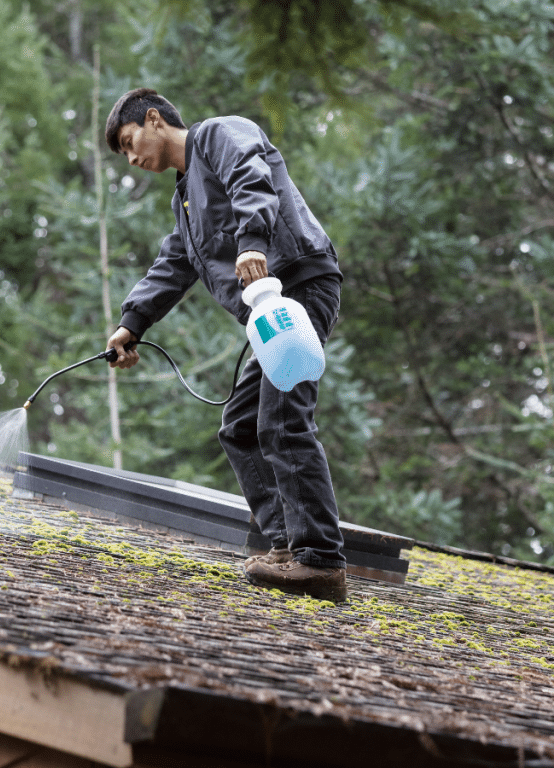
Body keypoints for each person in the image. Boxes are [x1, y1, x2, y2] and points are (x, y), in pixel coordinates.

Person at [103, 88, 347, 603]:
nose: (132, 159)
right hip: (268, 314)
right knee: (240, 426)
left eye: (130, 142)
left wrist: (253, 244)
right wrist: (133, 323)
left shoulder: (217, 135)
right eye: (124, 153)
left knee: (281, 419)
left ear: (154, 119)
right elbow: (175, 263)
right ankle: (287, 547)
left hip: (296, 286)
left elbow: (250, 178)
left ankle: (320, 559)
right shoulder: (185, 199)